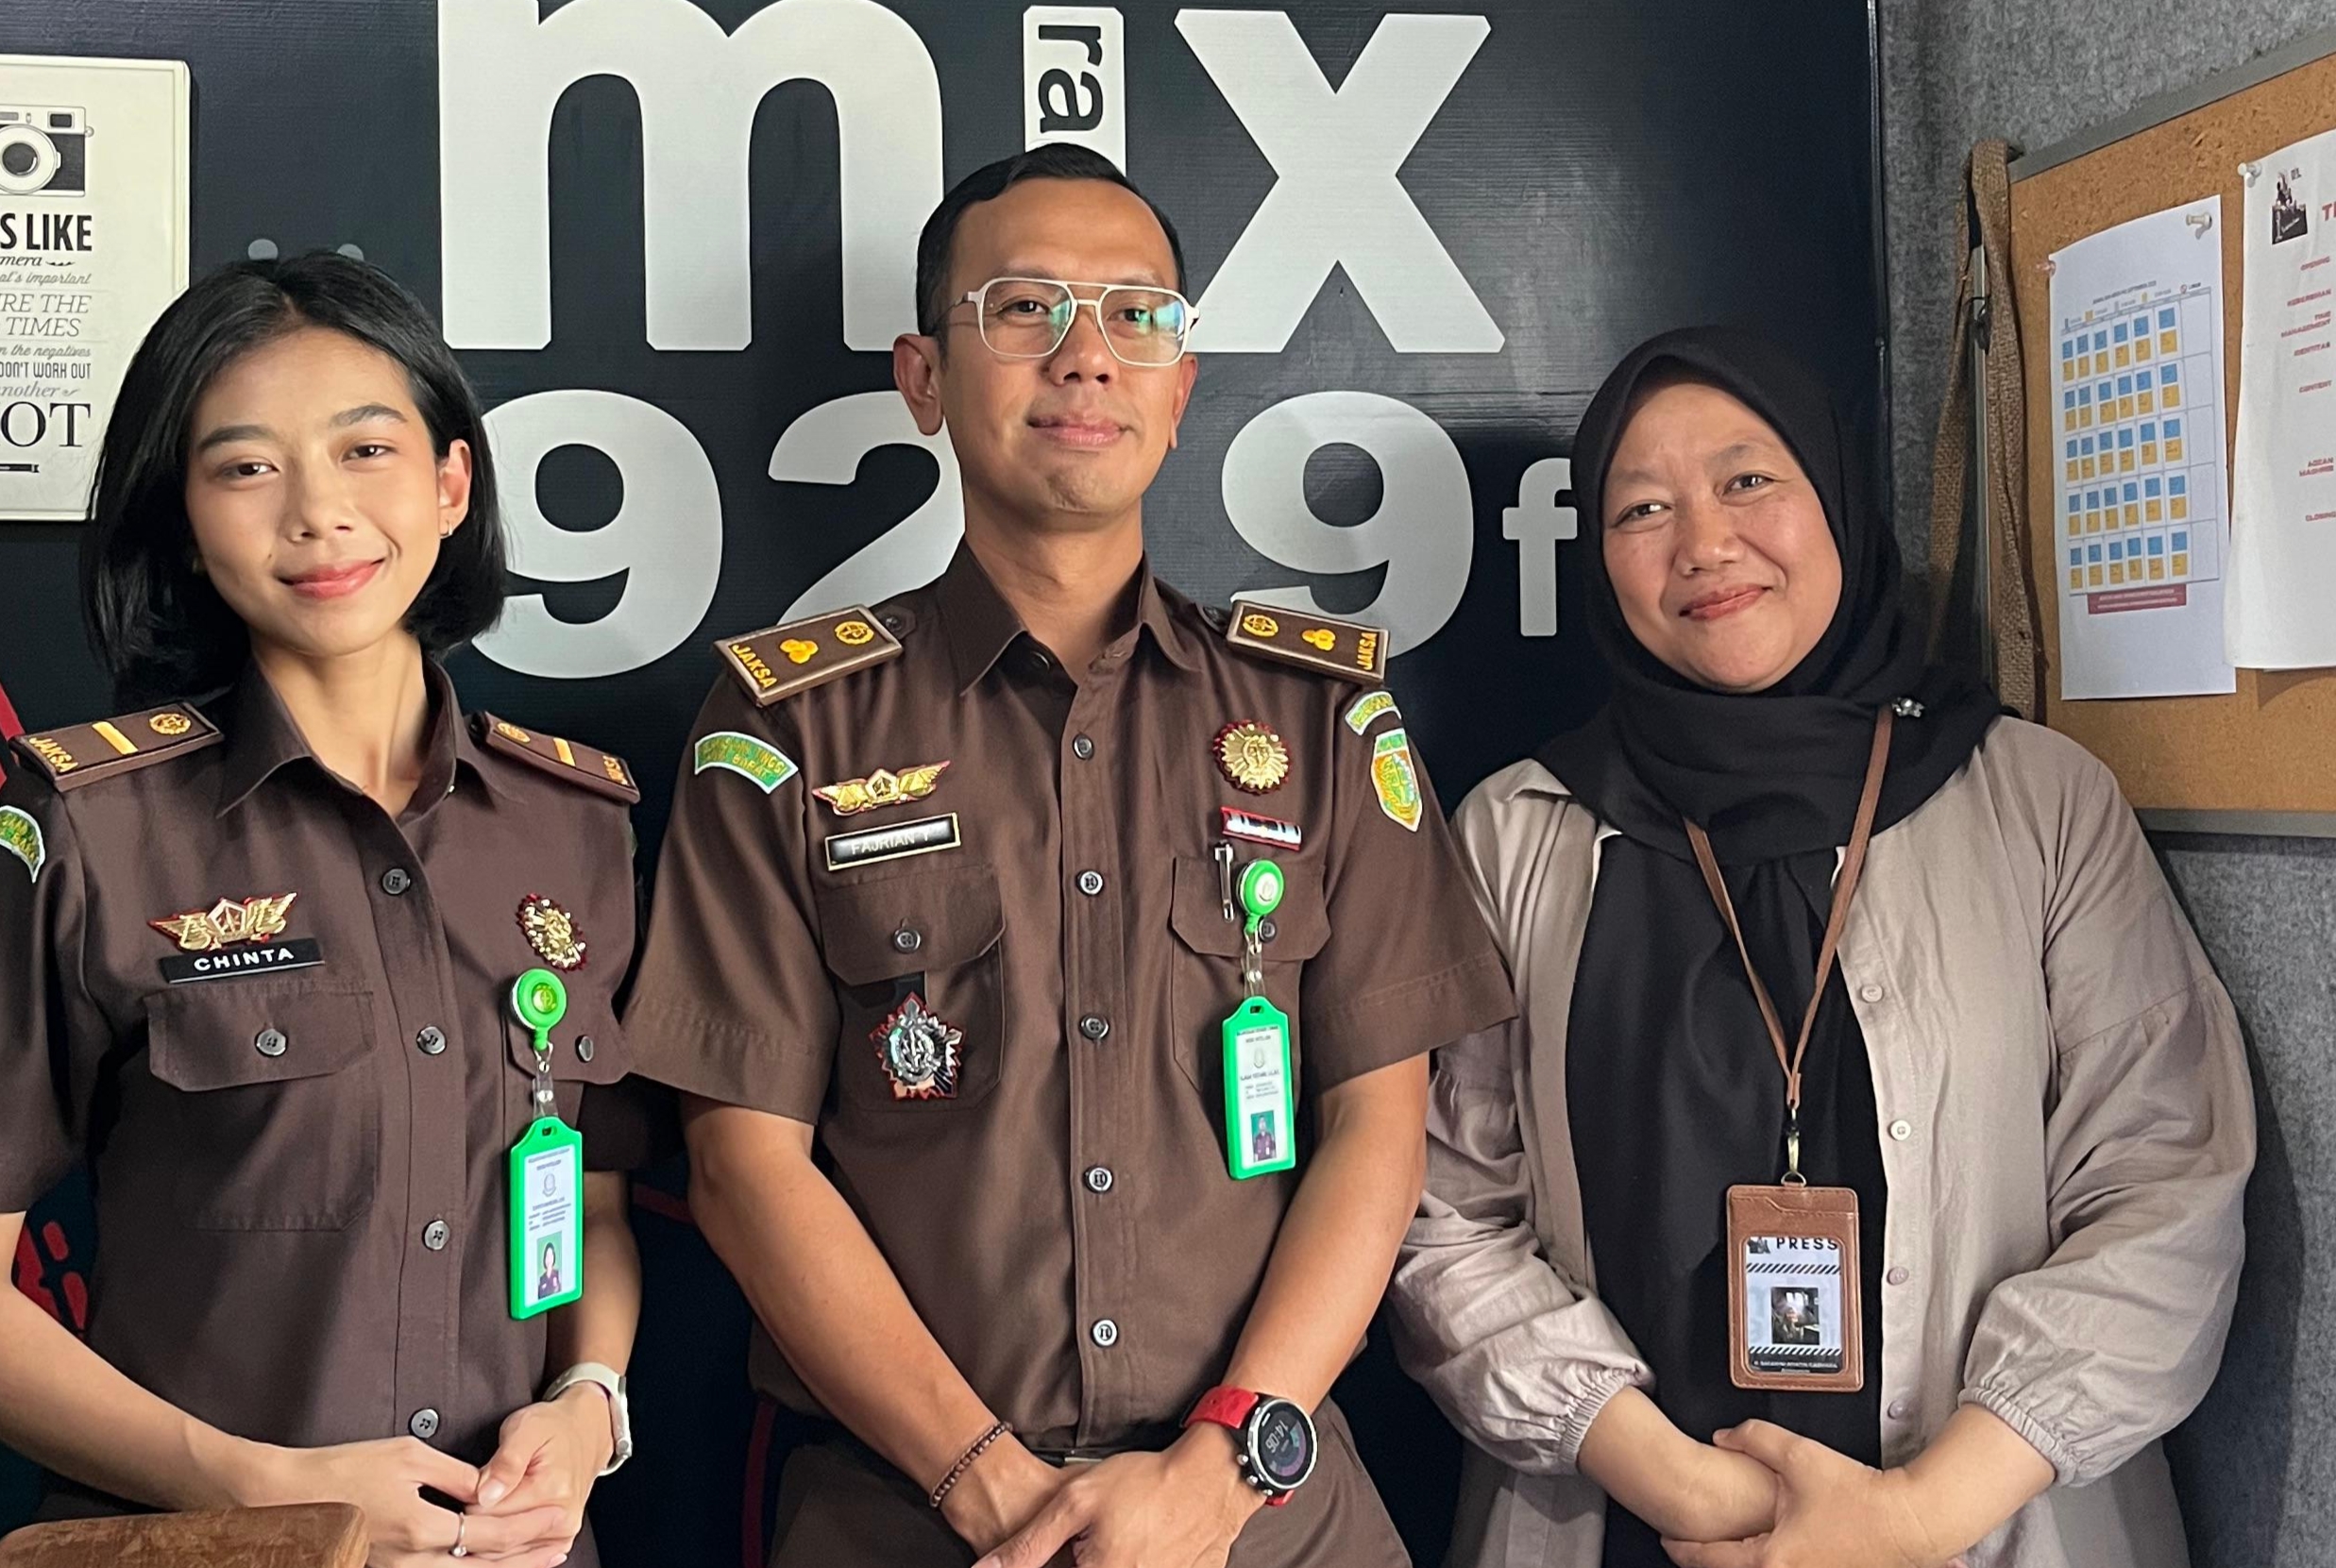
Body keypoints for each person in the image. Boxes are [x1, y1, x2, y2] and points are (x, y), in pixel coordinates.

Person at [618, 144, 1515, 1568]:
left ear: (1181, 384)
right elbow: (742, 1163)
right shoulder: (787, 723)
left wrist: (1220, 1469)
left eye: (1135, 315)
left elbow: (1379, 1127)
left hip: (1264, 1512)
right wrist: (996, 1493)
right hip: (913, 1517)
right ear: (924, 378)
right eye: (1025, 308)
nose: (1085, 355)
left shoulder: (1318, 714)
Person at [1387, 328, 2252, 1568]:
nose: (1703, 543)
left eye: (1747, 480)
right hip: (1632, 1530)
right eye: (1641, 508)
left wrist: (1913, 1517)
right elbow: (1442, 1214)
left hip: (1990, 1525)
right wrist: (1682, 1488)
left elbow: (2166, 1185)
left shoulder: (2035, 799)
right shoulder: (1516, 831)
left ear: (1839, 499)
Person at [0, 254, 643, 1568]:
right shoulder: (88, 825)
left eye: (366, 450)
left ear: (452, 484)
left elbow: (589, 1200)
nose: (317, 514)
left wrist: (589, 1404)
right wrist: (264, 1489)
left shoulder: (575, 823)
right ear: (185, 520)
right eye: (246, 467)